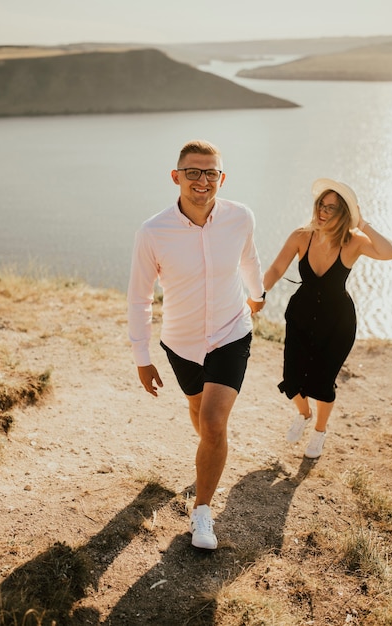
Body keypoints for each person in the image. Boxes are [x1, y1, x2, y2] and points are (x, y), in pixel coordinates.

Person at [127, 140, 266, 549]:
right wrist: (142, 357)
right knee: (197, 409)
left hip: (231, 332)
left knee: (212, 422)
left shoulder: (240, 217)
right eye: (193, 172)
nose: (202, 181)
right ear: (177, 177)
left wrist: (257, 295)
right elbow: (139, 297)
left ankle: (201, 512)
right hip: (182, 342)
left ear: (221, 178)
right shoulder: (152, 232)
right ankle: (209, 451)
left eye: (211, 173)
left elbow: (249, 258)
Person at [263, 178, 392, 459]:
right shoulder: (301, 236)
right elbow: (276, 267)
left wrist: (362, 224)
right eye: (321, 205)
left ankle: (319, 432)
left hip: (337, 324)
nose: (323, 212)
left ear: (345, 214)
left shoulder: (354, 241)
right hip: (300, 317)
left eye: (332, 208)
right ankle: (304, 414)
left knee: (323, 383)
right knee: (292, 378)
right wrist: (258, 293)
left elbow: (390, 252)